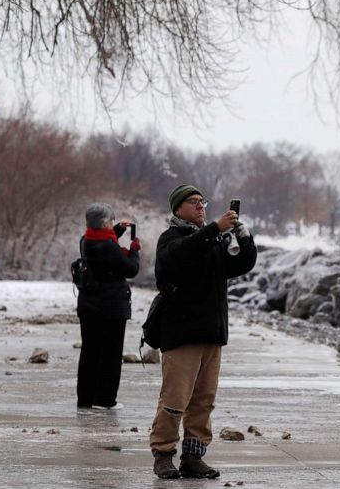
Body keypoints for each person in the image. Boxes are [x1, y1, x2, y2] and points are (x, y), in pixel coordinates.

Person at [149, 184, 257, 479]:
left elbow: (240, 265)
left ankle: (193, 457)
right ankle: (163, 454)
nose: (200, 206)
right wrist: (213, 229)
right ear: (177, 209)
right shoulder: (170, 239)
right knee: (174, 400)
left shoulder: (212, 240)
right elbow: (181, 257)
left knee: (203, 401)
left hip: (211, 331)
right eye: (193, 202)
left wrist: (244, 239)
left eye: (202, 201)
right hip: (181, 333)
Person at [75, 202, 140, 410]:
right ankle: (104, 400)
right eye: (111, 222)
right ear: (104, 224)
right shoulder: (109, 247)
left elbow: (104, 240)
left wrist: (119, 228)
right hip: (111, 308)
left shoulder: (86, 240)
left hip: (88, 306)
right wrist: (135, 250)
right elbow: (131, 269)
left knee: (90, 353)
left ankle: (85, 399)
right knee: (111, 355)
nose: (113, 225)